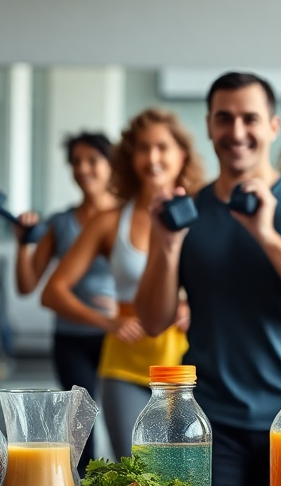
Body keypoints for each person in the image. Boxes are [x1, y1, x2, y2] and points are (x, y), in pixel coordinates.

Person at [135, 72, 281, 486]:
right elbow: (154, 321)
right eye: (224, 118)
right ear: (209, 125)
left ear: (273, 126)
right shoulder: (188, 210)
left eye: (249, 118)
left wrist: (268, 235)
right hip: (214, 423)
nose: (236, 132)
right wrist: (167, 245)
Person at [43, 111, 201, 460]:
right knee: (134, 471)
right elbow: (53, 290)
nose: (153, 157)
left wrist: (192, 304)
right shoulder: (110, 220)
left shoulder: (203, 213)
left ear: (182, 155)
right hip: (124, 361)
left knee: (185, 473)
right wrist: (108, 321)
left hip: (186, 363)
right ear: (129, 157)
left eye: (163, 147)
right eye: (143, 148)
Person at [14, 132, 118, 470]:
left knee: (127, 419)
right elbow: (28, 284)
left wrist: (125, 309)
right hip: (72, 337)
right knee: (82, 424)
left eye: (92, 160)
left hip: (118, 335)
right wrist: (22, 245)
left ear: (110, 164)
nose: (83, 168)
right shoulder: (60, 223)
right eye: (76, 162)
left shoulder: (127, 218)